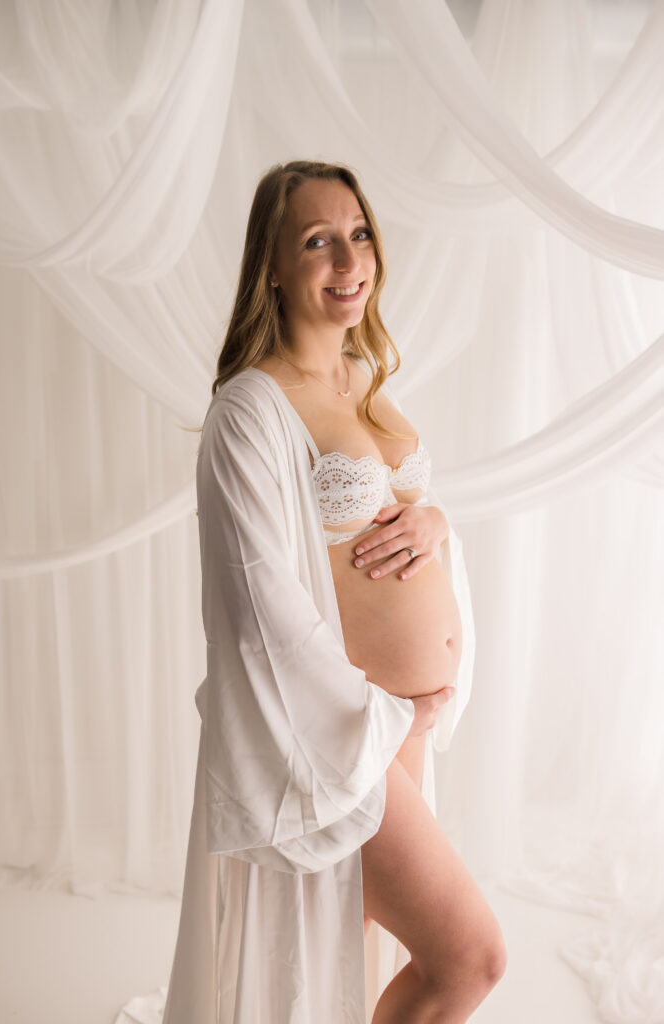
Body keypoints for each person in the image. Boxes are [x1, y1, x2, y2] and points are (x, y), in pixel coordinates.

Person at [161, 160, 506, 1024]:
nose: (348, 260)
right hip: (341, 737)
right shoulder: (249, 412)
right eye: (317, 241)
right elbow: (257, 605)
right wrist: (381, 719)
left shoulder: (364, 378)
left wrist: (436, 524)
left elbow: (397, 525)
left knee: (341, 963)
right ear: (273, 266)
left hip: (398, 727)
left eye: (358, 234)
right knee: (469, 958)